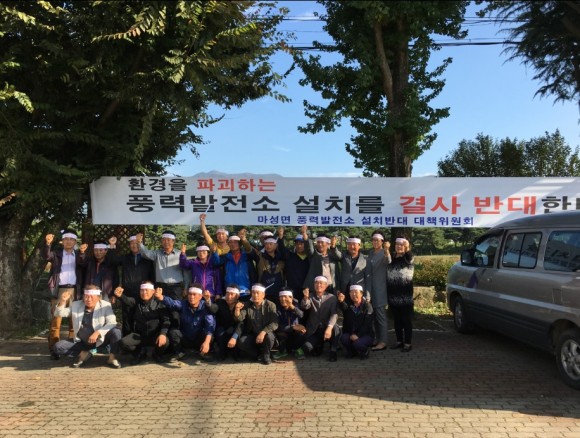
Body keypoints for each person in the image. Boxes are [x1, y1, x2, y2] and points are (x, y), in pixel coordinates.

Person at [51, 285, 122, 369]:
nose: (88, 299)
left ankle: (112, 358)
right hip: (83, 342)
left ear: (98, 297)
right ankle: (84, 354)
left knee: (116, 332)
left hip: (100, 341)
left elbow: (112, 322)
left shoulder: (105, 305)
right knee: (58, 347)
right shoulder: (76, 305)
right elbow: (58, 314)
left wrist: (98, 333)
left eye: (92, 297)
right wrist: (63, 301)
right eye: (86, 296)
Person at [43, 228, 88, 358]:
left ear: (75, 241)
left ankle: (71, 347)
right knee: (56, 321)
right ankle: (54, 349)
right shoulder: (56, 254)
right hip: (59, 290)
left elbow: (84, 263)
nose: (68, 241)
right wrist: (48, 244)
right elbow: (47, 256)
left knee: (74, 321)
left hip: (75, 290)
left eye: (71, 239)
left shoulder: (78, 254)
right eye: (66, 239)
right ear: (62, 241)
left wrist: (82, 253)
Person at [114, 282, 171, 365]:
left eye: (146, 290)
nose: (144, 292)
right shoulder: (136, 301)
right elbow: (128, 300)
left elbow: (166, 320)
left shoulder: (159, 303)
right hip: (140, 335)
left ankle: (157, 354)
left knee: (165, 342)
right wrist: (120, 296)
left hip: (155, 335)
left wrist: (163, 334)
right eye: (142, 290)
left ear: (153, 291)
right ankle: (139, 353)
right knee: (123, 343)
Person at [156, 284, 216, 363]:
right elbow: (172, 303)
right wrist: (161, 297)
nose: (191, 297)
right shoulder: (183, 304)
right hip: (185, 337)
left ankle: (203, 352)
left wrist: (207, 342)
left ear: (200, 296)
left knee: (209, 336)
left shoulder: (205, 307)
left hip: (198, 338)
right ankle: (180, 352)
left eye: (194, 294)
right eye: (190, 294)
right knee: (173, 332)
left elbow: (210, 325)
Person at [108, 235, 155, 336]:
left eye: (136, 243)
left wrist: (152, 291)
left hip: (143, 293)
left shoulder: (147, 259)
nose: (134, 245)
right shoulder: (125, 258)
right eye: (132, 243)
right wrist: (112, 246)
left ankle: (141, 340)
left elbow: (152, 276)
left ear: (141, 244)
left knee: (143, 318)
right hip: (127, 293)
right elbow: (112, 261)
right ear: (129, 245)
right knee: (127, 319)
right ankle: (126, 341)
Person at [234, 283, 278, 365]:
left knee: (270, 337)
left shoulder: (271, 305)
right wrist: (237, 310)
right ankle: (256, 354)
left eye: (257, 293)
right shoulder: (247, 305)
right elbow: (239, 318)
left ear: (263, 295)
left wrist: (263, 332)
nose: (255, 295)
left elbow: (274, 323)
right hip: (253, 334)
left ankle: (266, 354)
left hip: (266, 334)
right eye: (253, 293)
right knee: (241, 342)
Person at [300, 275, 340, 362]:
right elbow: (305, 307)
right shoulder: (310, 296)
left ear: (326, 285)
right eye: (316, 283)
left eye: (321, 283)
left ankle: (333, 350)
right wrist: (306, 297)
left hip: (327, 327)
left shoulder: (332, 298)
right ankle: (319, 345)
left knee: (335, 328)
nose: (319, 285)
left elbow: (334, 314)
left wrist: (329, 328)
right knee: (307, 347)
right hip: (315, 329)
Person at [136, 231, 185, 299]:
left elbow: (186, 272)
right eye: (164, 240)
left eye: (168, 240)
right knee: (161, 305)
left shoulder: (180, 254)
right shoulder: (157, 253)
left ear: (173, 241)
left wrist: (186, 287)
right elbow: (145, 253)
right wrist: (139, 243)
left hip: (176, 287)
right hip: (161, 287)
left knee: (175, 305)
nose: (166, 242)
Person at [387, 237, 415, 353]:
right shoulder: (392, 258)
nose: (399, 246)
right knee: (397, 321)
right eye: (397, 244)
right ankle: (399, 340)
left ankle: (408, 343)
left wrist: (407, 247)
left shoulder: (408, 258)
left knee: (406, 320)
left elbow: (409, 255)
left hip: (405, 297)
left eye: (401, 245)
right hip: (393, 296)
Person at [212, 231, 258, 300]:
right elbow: (216, 263)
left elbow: (253, 275)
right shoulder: (226, 257)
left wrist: (253, 289)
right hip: (230, 292)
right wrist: (214, 252)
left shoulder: (247, 256)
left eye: (235, 242)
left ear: (240, 244)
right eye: (230, 242)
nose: (233, 244)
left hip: (245, 292)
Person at [366, 230, 391, 351]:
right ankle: (376, 338)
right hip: (370, 288)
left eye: (377, 240)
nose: (375, 242)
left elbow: (388, 260)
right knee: (373, 316)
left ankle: (383, 341)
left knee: (380, 316)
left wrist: (386, 250)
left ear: (382, 241)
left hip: (380, 289)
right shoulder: (371, 253)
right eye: (373, 240)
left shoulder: (383, 252)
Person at [206, 284, 244, 361]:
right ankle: (222, 353)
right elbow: (213, 308)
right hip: (223, 327)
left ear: (237, 296)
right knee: (220, 332)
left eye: (232, 294)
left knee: (239, 327)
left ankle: (236, 354)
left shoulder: (241, 305)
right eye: (227, 294)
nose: (229, 296)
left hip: (235, 329)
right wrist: (208, 300)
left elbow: (241, 322)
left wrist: (234, 337)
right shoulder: (220, 302)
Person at [338, 285, 374, 360]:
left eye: (356, 292)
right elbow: (343, 307)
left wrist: (358, 335)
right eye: (352, 292)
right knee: (344, 338)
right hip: (351, 333)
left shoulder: (367, 306)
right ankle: (352, 351)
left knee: (357, 343)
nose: (354, 294)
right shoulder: (348, 305)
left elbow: (367, 325)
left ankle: (365, 351)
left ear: (361, 294)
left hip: (365, 334)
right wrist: (341, 302)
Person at [331, 235, 370, 304]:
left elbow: (368, 278)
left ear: (359, 246)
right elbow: (337, 254)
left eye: (354, 244)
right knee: (345, 307)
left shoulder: (365, 259)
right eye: (349, 244)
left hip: (358, 291)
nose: (352, 247)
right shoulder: (344, 256)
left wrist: (367, 295)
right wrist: (333, 246)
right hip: (345, 289)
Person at [278, 225, 311, 303]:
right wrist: (281, 237)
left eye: (301, 243)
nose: (299, 246)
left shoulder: (310, 258)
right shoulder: (290, 256)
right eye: (297, 243)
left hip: (306, 290)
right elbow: (282, 248)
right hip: (292, 290)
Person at [273, 289, 306, 360]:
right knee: (280, 333)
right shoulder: (277, 308)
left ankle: (298, 349)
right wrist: (292, 327)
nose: (283, 299)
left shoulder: (296, 304)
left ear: (291, 298)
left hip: (294, 335)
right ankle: (282, 351)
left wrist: (292, 307)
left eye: (285, 297)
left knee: (301, 332)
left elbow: (301, 315)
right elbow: (276, 325)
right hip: (285, 333)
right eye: (281, 297)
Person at [253, 234, 285, 304]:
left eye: (271, 244)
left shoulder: (282, 258)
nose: (268, 246)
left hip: (279, 293)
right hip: (264, 293)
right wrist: (243, 239)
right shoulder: (260, 257)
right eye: (266, 244)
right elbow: (249, 249)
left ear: (276, 245)